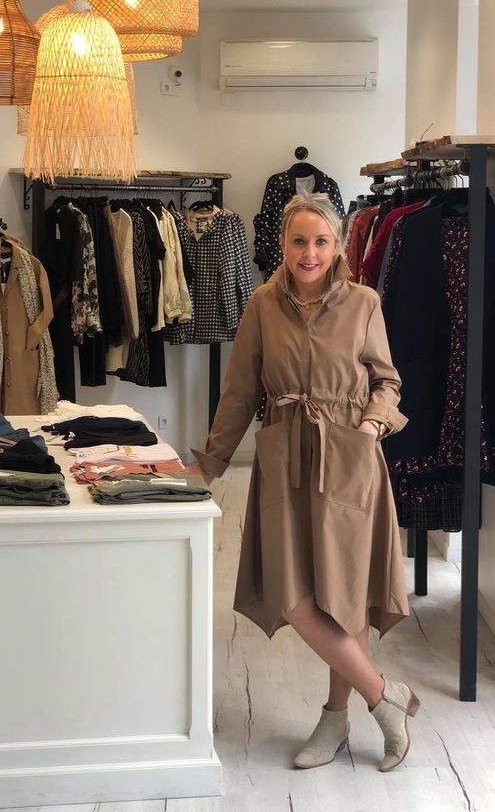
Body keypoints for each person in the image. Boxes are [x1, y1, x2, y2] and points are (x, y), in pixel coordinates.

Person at [193, 192, 419, 773]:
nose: (309, 252)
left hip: (349, 457)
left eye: (320, 241)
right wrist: (210, 464)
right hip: (284, 458)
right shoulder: (261, 305)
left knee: (346, 597)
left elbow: (387, 382)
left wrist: (371, 425)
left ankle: (335, 719)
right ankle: (384, 695)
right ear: (282, 244)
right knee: (292, 598)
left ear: (338, 245)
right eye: (299, 241)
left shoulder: (364, 303)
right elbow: (240, 391)